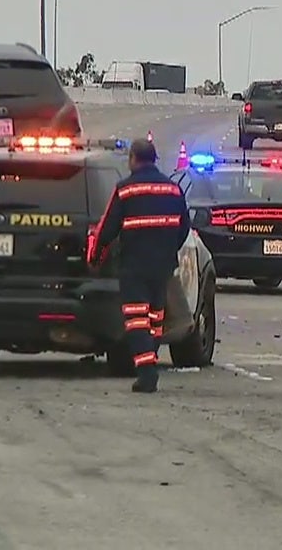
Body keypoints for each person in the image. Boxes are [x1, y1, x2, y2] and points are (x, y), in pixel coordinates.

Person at [90, 138, 190, 393]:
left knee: (136, 320)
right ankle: (150, 361)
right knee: (155, 319)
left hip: (134, 267)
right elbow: (184, 228)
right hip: (163, 268)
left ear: (134, 158)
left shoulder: (126, 190)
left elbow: (106, 230)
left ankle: (146, 373)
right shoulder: (173, 189)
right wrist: (168, 252)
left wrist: (94, 257)